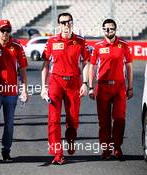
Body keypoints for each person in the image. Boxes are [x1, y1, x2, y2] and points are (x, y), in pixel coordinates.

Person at [41, 12, 90, 165]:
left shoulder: (80, 41)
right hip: (55, 82)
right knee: (53, 120)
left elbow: (86, 63)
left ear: (72, 23)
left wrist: (85, 83)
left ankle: (70, 139)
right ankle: (57, 153)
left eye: (68, 22)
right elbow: (45, 65)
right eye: (62, 22)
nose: (66, 25)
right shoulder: (52, 41)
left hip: (74, 83)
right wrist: (44, 87)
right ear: (59, 25)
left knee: (73, 119)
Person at [0, 19, 28, 163]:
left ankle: (6, 150)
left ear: (10, 31)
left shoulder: (17, 47)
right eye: (2, 30)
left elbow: (22, 69)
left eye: (8, 30)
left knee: (9, 122)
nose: (5, 33)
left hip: (11, 91)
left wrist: (24, 89)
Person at [88, 19, 133, 160]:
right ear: (102, 30)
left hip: (120, 87)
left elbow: (129, 67)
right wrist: (90, 86)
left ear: (116, 29)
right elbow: (92, 67)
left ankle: (117, 147)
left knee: (119, 119)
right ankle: (106, 149)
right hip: (102, 87)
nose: (109, 31)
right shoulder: (97, 47)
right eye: (106, 29)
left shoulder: (124, 45)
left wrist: (130, 87)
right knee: (104, 121)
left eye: (111, 28)